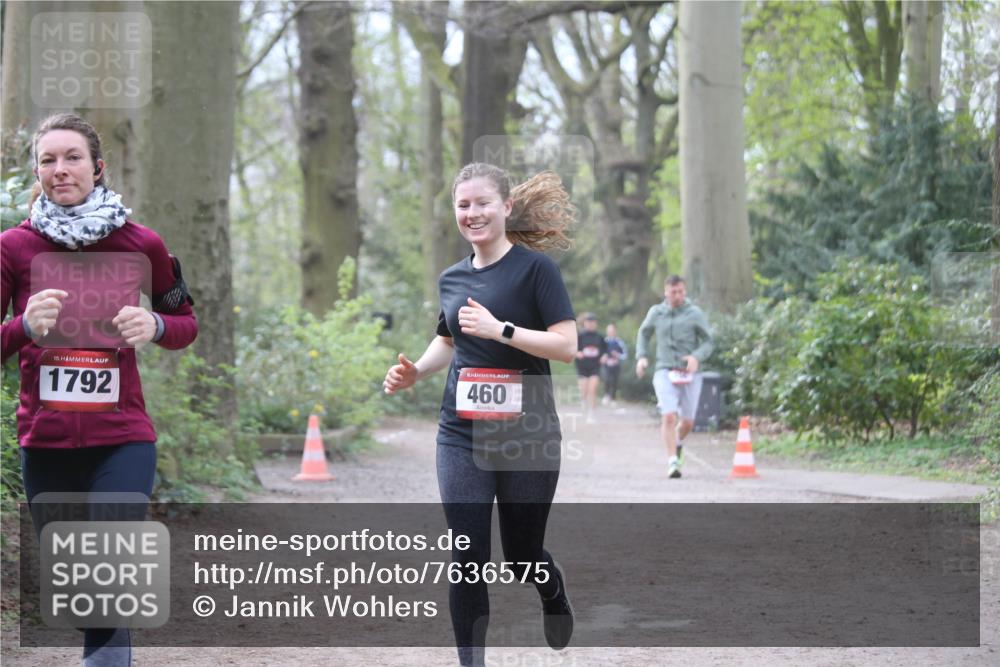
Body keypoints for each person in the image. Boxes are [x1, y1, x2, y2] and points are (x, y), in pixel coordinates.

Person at [1, 113, 197, 666]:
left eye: (72, 158)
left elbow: (185, 323)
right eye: (47, 160)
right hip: (45, 438)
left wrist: (154, 326)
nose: (59, 170)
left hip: (123, 436)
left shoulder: (144, 244)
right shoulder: (13, 247)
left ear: (98, 167)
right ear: (36, 170)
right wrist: (22, 327)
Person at [382, 163, 577, 667]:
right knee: (468, 557)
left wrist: (502, 331)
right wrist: (416, 372)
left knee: (521, 556)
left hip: (528, 436)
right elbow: (448, 339)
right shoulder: (453, 277)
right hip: (461, 435)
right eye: (463, 205)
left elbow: (566, 347)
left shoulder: (537, 270)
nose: (473, 213)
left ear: (506, 207)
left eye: (482, 203)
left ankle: (551, 590)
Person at [635, 275, 713, 479]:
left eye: (680, 291)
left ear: (684, 292)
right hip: (664, 371)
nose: (677, 296)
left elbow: (708, 341)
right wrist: (642, 357)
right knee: (668, 415)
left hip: (690, 373)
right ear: (666, 292)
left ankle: (677, 443)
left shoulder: (695, 313)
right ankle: (672, 462)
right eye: (673, 292)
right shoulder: (656, 312)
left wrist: (696, 356)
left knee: (688, 422)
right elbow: (643, 333)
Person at [574, 313, 606, 423]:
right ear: (585, 323)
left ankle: (591, 414)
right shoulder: (579, 336)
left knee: (592, 390)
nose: (591, 324)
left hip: (595, 367)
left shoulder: (600, 337)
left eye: (593, 322)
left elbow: (605, 351)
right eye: (588, 322)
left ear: (595, 324)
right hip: (583, 367)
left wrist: (604, 356)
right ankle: (583, 400)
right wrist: (577, 353)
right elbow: (572, 349)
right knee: (584, 391)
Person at [601, 323, 627, 405]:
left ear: (615, 331)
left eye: (612, 330)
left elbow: (625, 355)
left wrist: (618, 355)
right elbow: (600, 353)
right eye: (609, 330)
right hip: (607, 365)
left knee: (614, 382)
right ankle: (606, 396)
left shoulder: (619, 342)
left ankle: (613, 398)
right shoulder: (604, 342)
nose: (610, 332)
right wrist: (603, 358)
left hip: (616, 365)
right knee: (606, 380)